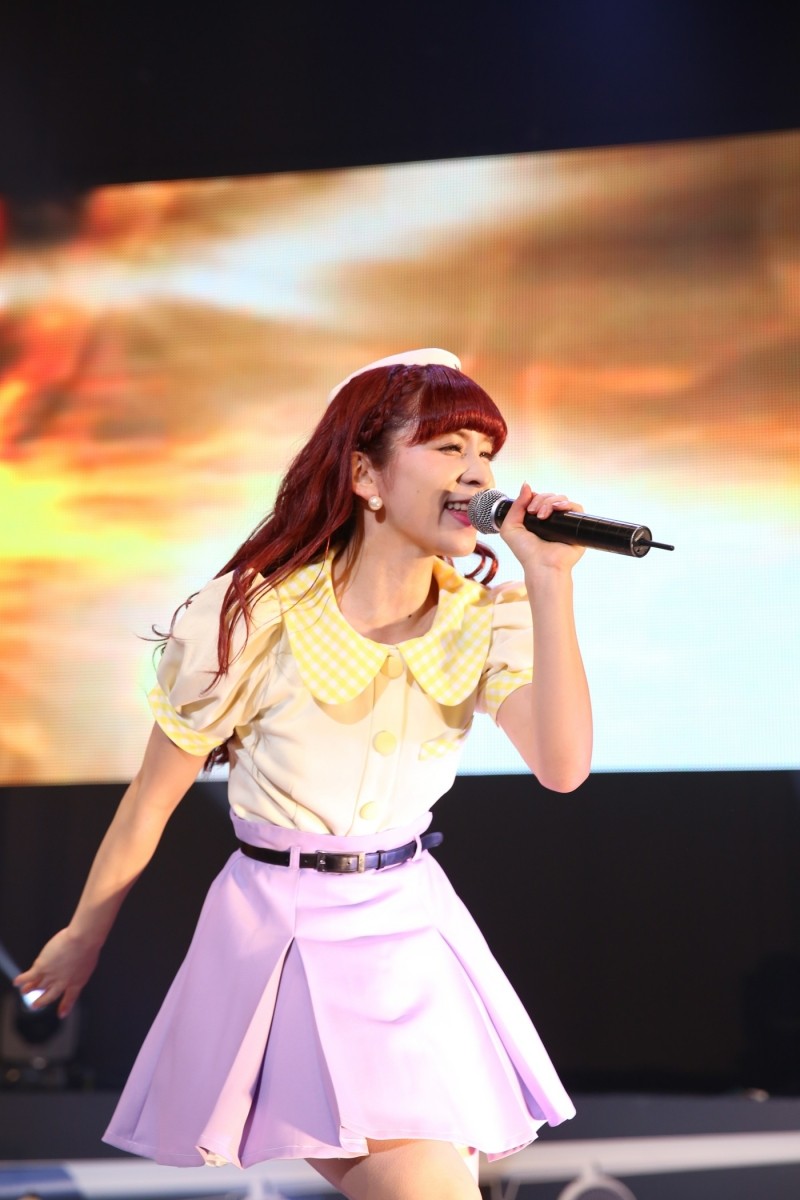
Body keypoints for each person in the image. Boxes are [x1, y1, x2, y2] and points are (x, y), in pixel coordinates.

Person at [16, 348, 592, 1200]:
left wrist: (549, 581)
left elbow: (563, 768)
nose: (477, 474)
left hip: (413, 930)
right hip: (291, 936)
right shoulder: (258, 616)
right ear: (365, 476)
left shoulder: (482, 617)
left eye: (486, 452)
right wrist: (83, 935)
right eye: (448, 448)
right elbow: (149, 803)